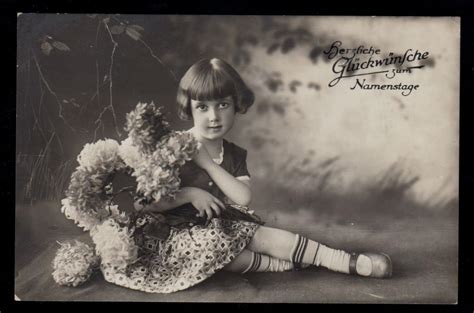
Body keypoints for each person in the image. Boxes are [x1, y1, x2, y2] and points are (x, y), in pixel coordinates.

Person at [105, 58, 392, 294]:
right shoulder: (174, 147)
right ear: (189, 108)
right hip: (174, 233)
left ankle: (344, 261)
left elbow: (242, 197)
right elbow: (145, 203)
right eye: (202, 107)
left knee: (268, 237)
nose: (214, 116)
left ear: (236, 105)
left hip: (224, 226)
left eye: (223, 105)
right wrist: (191, 194)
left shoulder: (232, 154)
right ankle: (287, 266)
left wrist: (208, 164)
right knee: (223, 255)